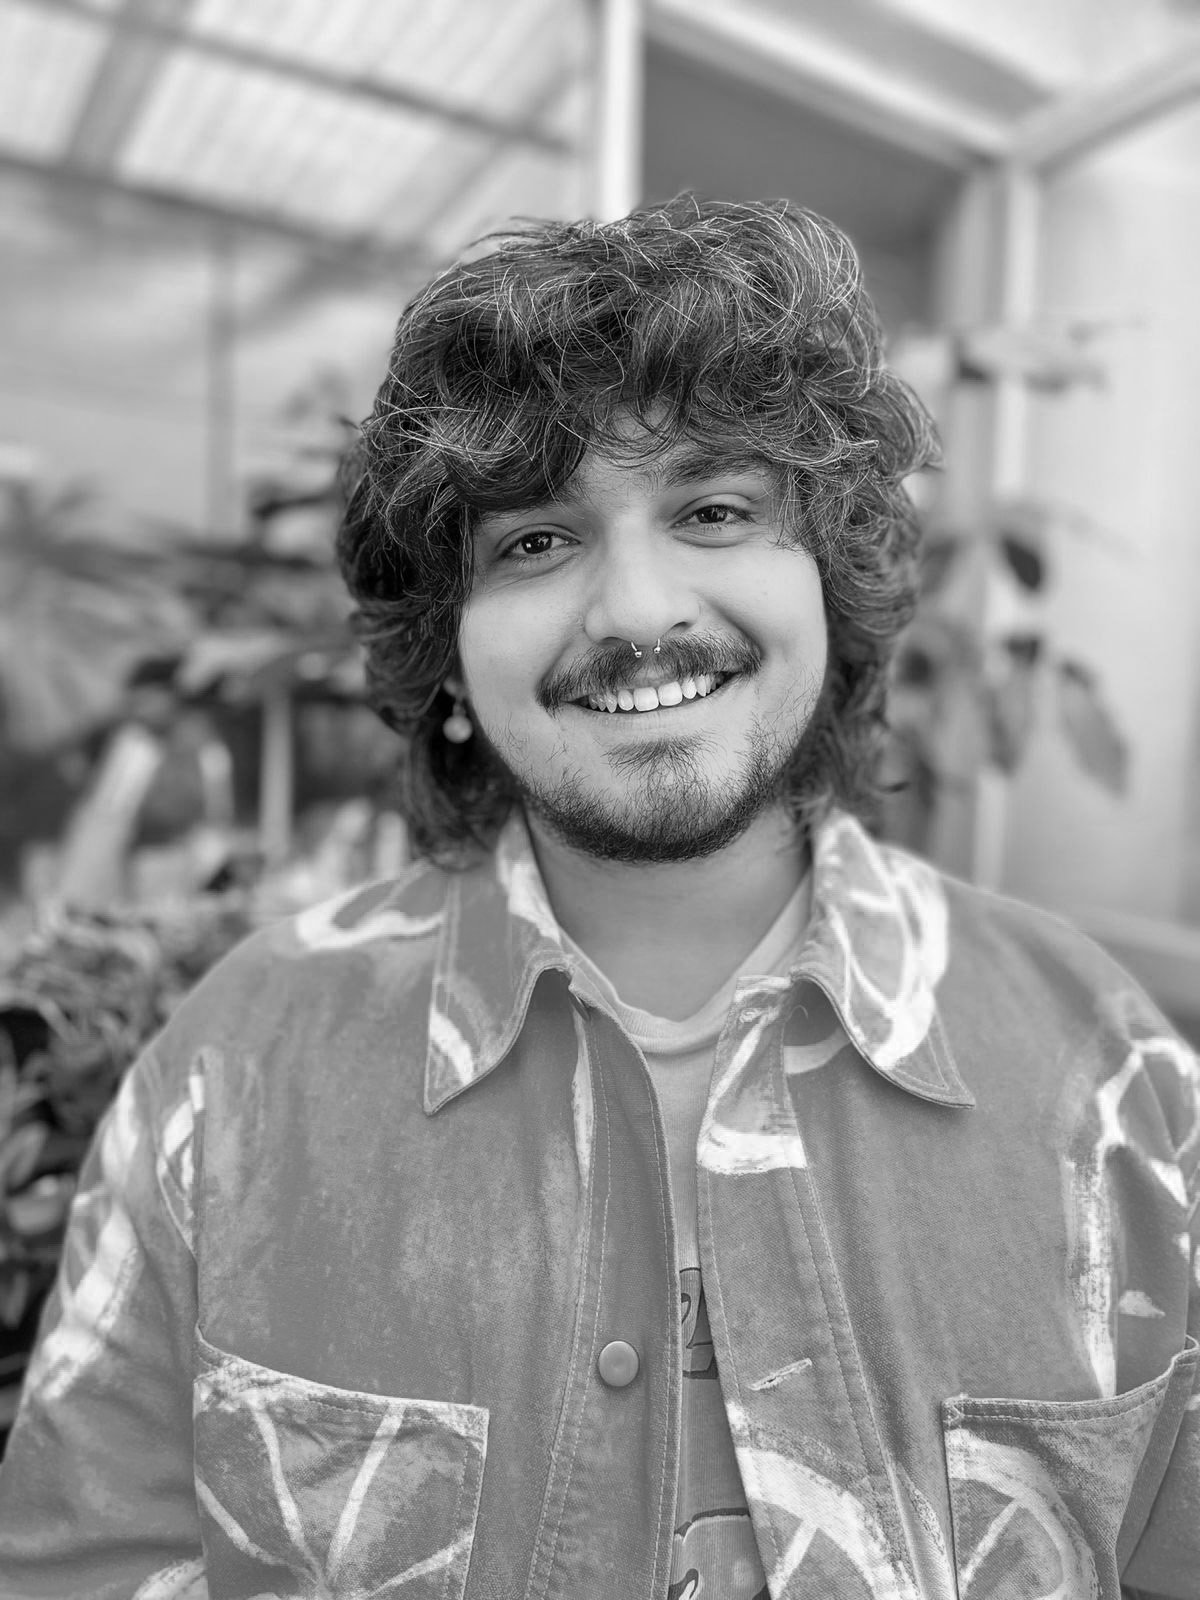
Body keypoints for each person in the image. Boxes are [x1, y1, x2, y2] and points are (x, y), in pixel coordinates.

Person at [0, 196, 1196, 1600]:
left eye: (714, 510)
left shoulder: (1112, 1082)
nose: (636, 608)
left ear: (832, 583)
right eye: (534, 542)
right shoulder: (235, 1070)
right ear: (446, 656)